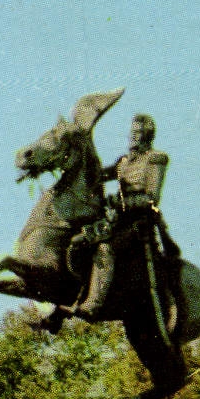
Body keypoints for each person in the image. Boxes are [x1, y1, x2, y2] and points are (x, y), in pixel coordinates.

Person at [68, 113, 179, 320]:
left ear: (147, 136)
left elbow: (152, 198)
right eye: (132, 132)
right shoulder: (123, 162)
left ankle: (93, 304)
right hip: (117, 221)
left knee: (105, 248)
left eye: (138, 133)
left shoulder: (155, 159)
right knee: (78, 241)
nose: (133, 137)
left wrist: (120, 203)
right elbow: (97, 176)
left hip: (140, 223)